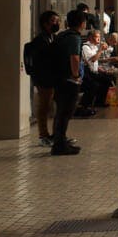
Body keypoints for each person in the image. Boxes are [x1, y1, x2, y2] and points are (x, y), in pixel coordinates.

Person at [49, 10, 86, 155]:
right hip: (68, 80)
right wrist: (76, 76)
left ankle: (60, 141)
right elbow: (74, 58)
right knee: (65, 112)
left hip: (58, 79)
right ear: (82, 23)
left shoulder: (62, 35)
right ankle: (59, 145)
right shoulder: (74, 38)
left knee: (61, 112)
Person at [24, 11, 61, 146]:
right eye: (53, 21)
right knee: (44, 106)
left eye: (57, 21)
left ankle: (51, 135)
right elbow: (43, 61)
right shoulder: (40, 41)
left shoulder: (52, 37)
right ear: (45, 24)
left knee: (48, 106)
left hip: (50, 78)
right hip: (43, 78)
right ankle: (43, 135)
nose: (56, 23)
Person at [79, 31, 112, 112]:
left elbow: (96, 62)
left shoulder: (95, 47)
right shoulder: (85, 47)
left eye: (99, 37)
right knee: (94, 85)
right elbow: (93, 60)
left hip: (94, 71)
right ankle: (85, 105)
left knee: (107, 79)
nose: (99, 39)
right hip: (87, 73)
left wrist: (102, 70)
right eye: (96, 37)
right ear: (90, 38)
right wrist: (100, 50)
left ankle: (99, 102)